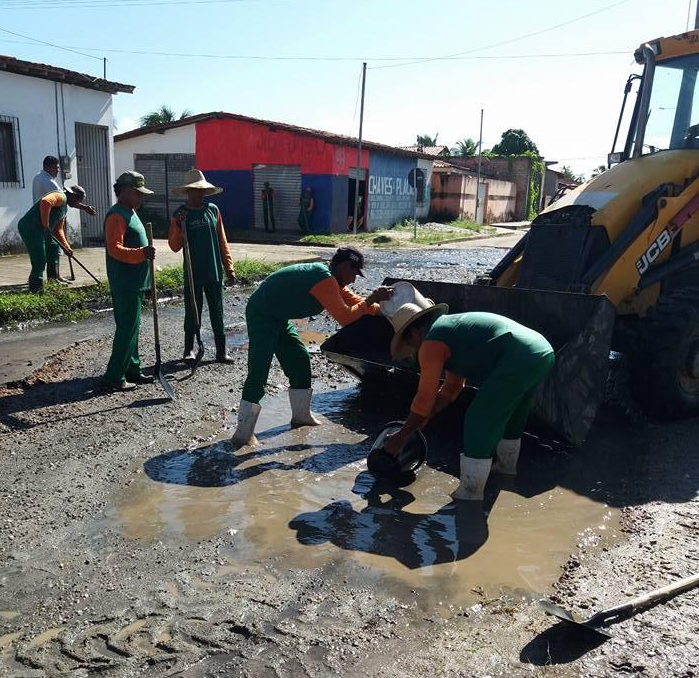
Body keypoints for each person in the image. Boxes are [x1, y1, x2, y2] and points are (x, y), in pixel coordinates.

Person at [381, 301, 555, 501]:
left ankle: (470, 493)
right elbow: (452, 387)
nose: (413, 351)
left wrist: (401, 436)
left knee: (478, 419)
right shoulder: (448, 330)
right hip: (541, 351)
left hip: (519, 356)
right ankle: (506, 470)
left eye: (410, 345)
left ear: (414, 333)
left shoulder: (430, 343)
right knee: (512, 414)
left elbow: (424, 398)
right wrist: (422, 420)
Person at [232, 247, 393, 446]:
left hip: (278, 316)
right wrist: (372, 299)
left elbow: (356, 302)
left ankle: (301, 417)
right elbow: (345, 317)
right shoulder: (323, 278)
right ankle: (243, 434)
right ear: (343, 266)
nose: (353, 279)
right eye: (354, 273)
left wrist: (387, 311)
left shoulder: (333, 281)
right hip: (262, 313)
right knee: (259, 370)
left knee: (299, 359)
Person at [167, 169, 236, 365]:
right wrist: (179, 226)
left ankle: (221, 351)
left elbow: (222, 241)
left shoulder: (213, 210)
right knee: (192, 311)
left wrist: (229, 268)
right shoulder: (180, 214)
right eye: (195, 191)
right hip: (192, 272)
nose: (199, 195)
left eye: (201, 191)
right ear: (188, 192)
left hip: (213, 270)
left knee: (217, 311)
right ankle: (188, 349)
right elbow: (174, 246)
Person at [102, 171, 156, 392]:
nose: (140, 198)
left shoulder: (130, 212)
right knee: (126, 329)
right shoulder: (117, 215)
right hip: (124, 282)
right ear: (123, 191)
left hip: (136, 282)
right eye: (137, 193)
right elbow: (115, 249)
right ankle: (114, 377)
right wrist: (141, 253)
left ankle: (132, 368)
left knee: (133, 328)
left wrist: (148, 283)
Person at [32, 156, 96, 282]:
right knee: (53, 248)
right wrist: (85, 208)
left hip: (43, 218)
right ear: (48, 167)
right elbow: (66, 200)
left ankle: (54, 276)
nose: (57, 171)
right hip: (47, 220)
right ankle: (51, 278)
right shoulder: (49, 182)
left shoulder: (38, 178)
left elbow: (68, 200)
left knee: (47, 250)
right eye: (56, 168)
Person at [17, 185, 88, 293]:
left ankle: (53, 280)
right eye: (79, 200)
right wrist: (46, 225)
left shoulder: (64, 208)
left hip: (42, 230)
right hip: (30, 227)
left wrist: (66, 247)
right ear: (73, 196)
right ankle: (36, 290)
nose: (78, 203)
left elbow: (58, 230)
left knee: (54, 246)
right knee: (39, 259)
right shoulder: (61, 196)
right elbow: (45, 202)